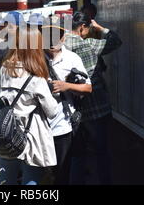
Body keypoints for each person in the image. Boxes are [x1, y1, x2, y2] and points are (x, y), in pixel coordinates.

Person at [0, 27, 59, 185]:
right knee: (30, 182)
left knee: (6, 180)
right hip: (31, 136)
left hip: (5, 133)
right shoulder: (37, 79)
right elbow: (52, 112)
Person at [64, 11, 122, 185]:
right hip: (96, 106)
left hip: (72, 108)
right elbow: (116, 41)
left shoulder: (61, 46)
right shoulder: (89, 45)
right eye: (88, 28)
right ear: (82, 27)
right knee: (101, 152)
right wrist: (101, 28)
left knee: (77, 153)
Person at [41, 24, 92, 185]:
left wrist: (66, 86)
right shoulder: (36, 59)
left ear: (63, 38)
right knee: (41, 174)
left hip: (63, 126)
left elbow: (88, 88)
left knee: (62, 174)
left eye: (56, 36)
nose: (52, 40)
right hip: (39, 128)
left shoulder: (72, 59)